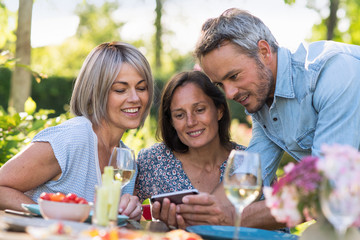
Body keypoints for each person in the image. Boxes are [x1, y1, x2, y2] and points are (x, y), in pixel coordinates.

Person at [180, 7, 360, 229]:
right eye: (220, 84)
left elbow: (327, 188)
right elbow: (246, 179)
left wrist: (232, 218)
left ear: (264, 52)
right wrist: (199, 216)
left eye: (234, 76)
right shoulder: (262, 99)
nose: (229, 94)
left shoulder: (335, 72)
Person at [0, 41, 154, 220]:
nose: (135, 98)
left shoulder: (125, 159)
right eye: (120, 89)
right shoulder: (72, 139)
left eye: (141, 88)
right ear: (95, 92)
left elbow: (104, 223)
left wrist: (130, 211)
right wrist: (50, 219)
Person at [135, 70, 246, 228]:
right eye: (179, 115)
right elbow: (124, 219)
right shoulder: (152, 160)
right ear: (171, 122)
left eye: (200, 110)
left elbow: (278, 229)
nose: (191, 122)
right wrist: (159, 226)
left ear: (219, 111)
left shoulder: (247, 161)